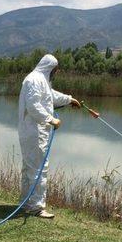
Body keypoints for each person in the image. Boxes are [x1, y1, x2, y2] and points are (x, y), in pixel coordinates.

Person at [18, 54, 80, 218]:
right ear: (51, 69)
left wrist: (69, 99)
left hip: (35, 132)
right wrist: (51, 120)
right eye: (56, 70)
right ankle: (36, 207)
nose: (56, 73)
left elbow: (50, 95)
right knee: (38, 170)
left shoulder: (40, 80)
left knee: (30, 169)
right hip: (34, 133)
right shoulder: (34, 80)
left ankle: (26, 203)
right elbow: (33, 105)